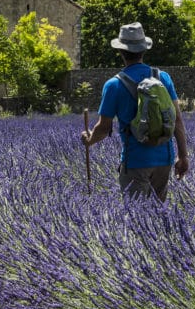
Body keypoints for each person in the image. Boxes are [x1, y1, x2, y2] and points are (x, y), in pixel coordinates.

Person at [81, 22, 189, 201]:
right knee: (157, 220)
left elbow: (104, 128)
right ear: (143, 50)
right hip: (164, 159)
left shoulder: (113, 85)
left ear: (121, 52)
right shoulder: (163, 78)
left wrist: (89, 140)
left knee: (136, 220)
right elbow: (177, 120)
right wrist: (183, 156)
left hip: (135, 161)